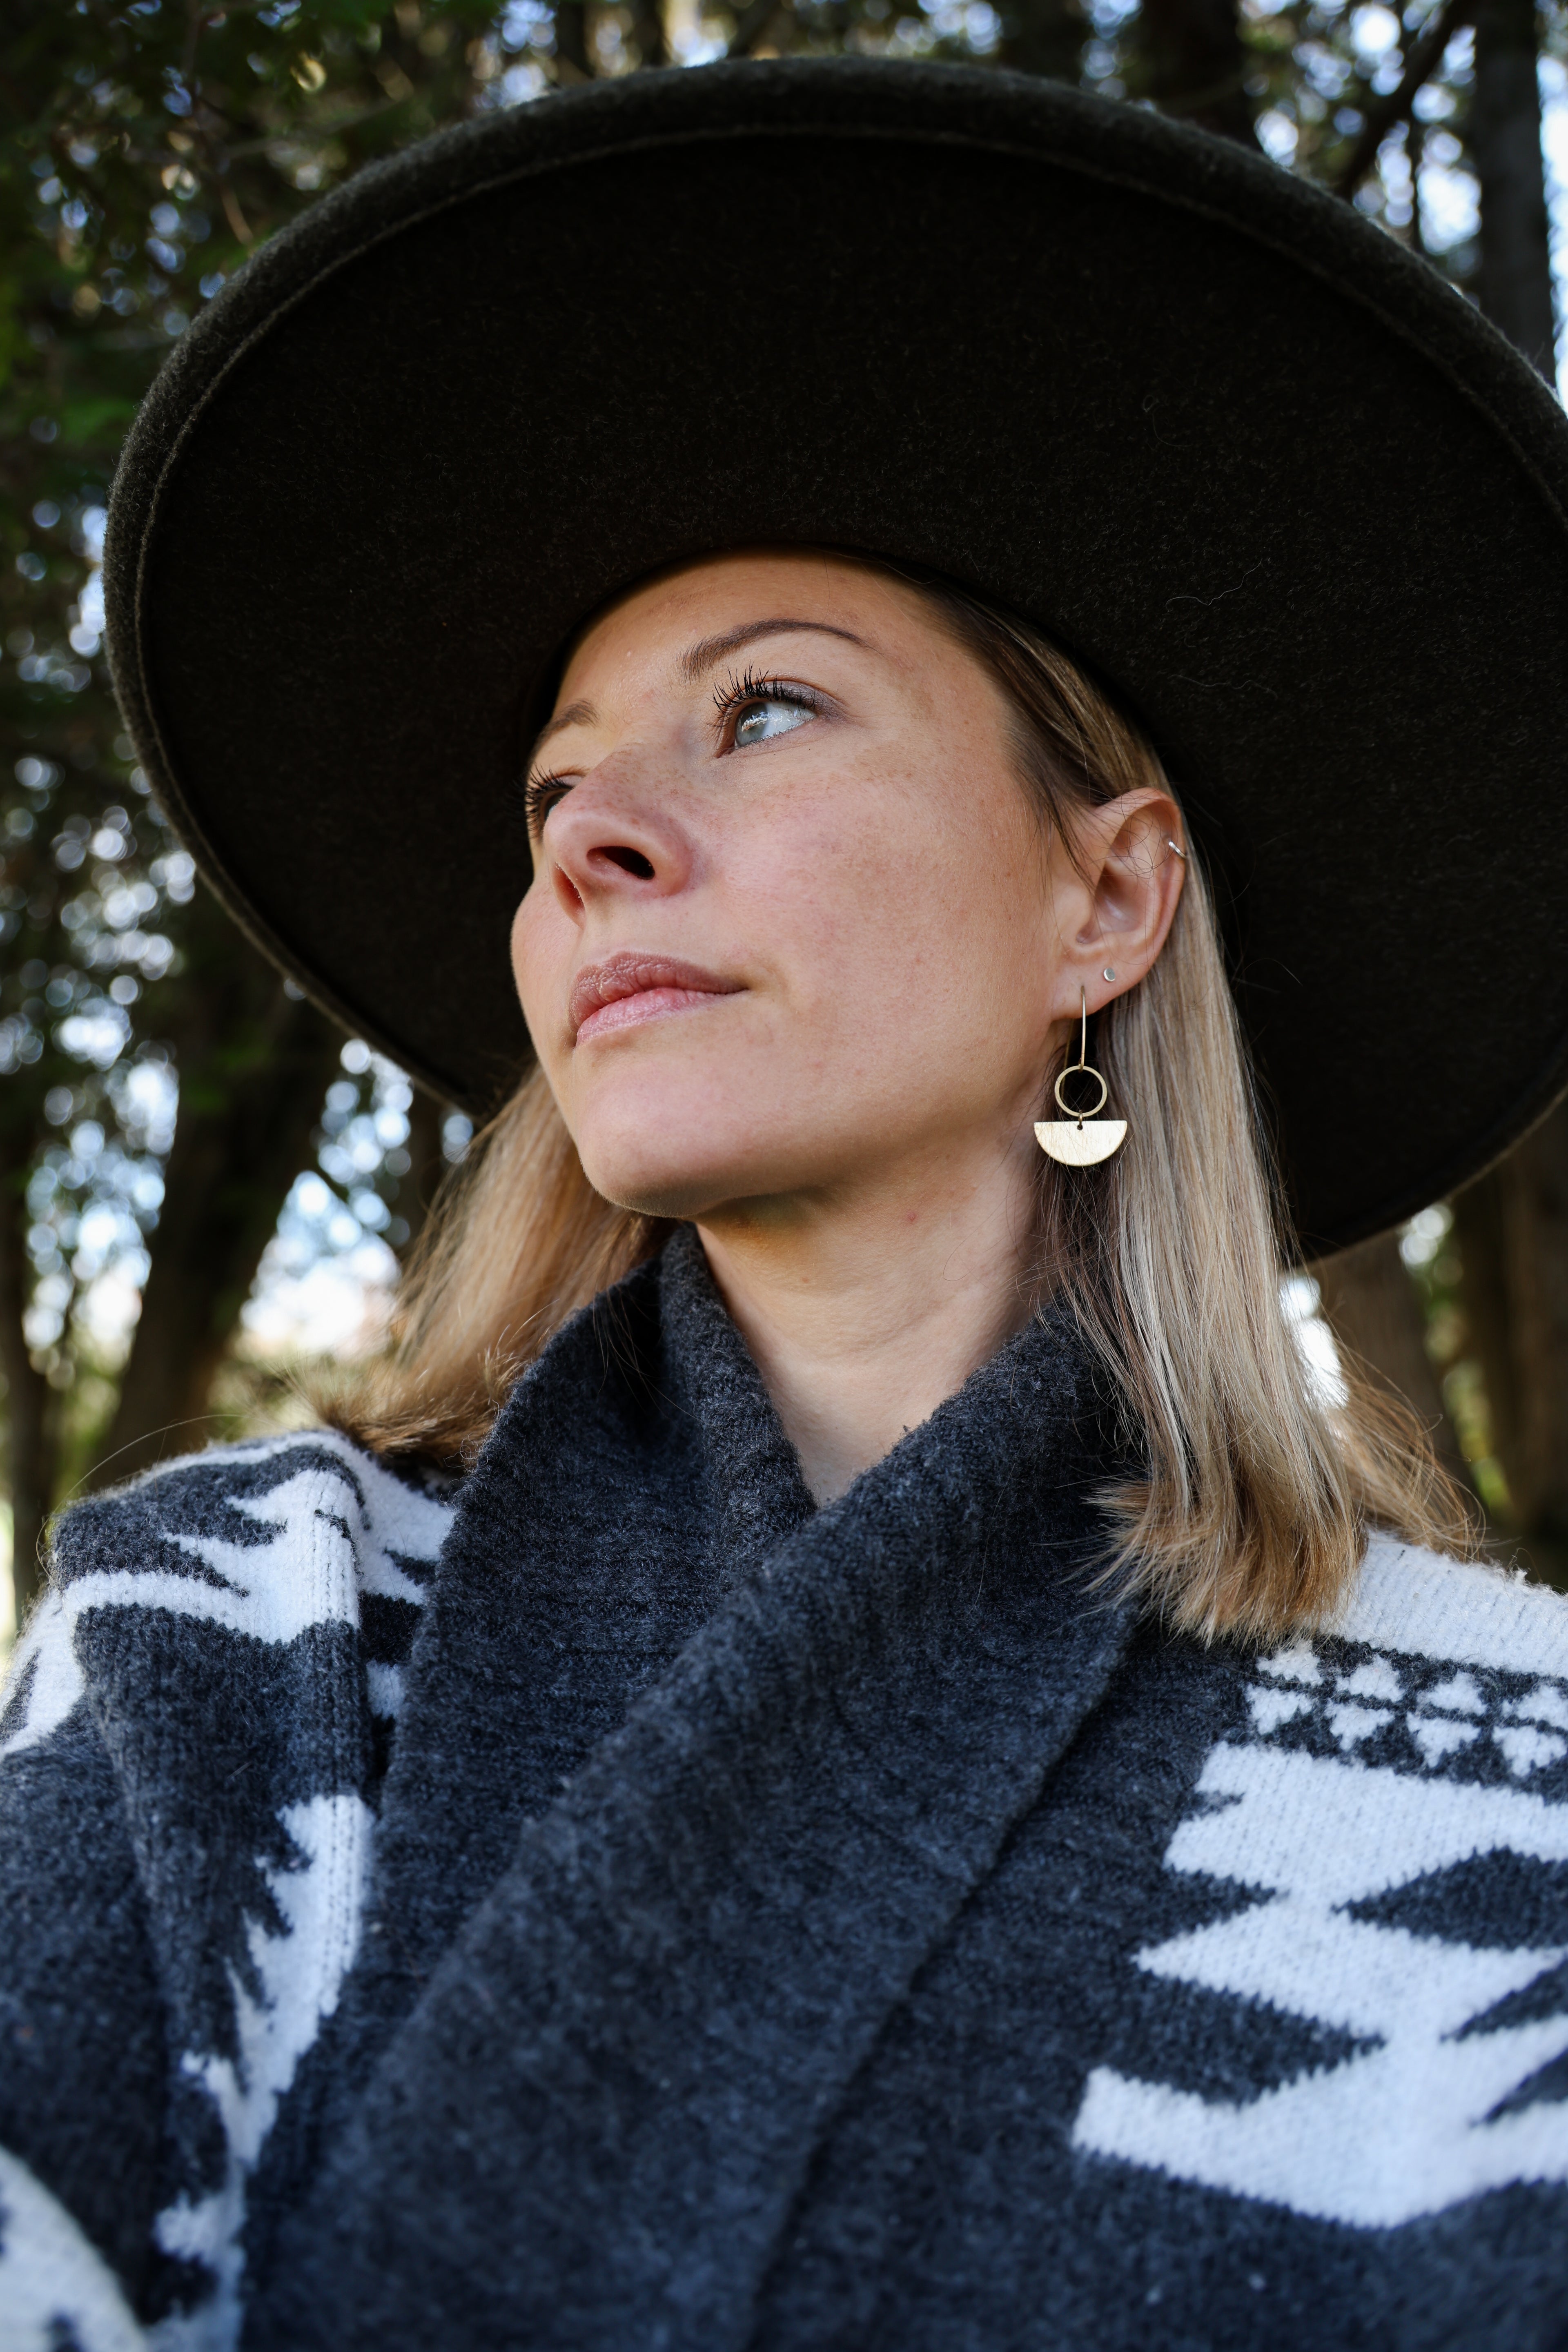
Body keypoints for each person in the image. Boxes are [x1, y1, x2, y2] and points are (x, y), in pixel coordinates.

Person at [4, 57, 1568, 2352]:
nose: (583, 839)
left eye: (762, 715)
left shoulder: (1519, 1785)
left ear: (1106, 894)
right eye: (557, 780)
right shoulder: (226, 1640)